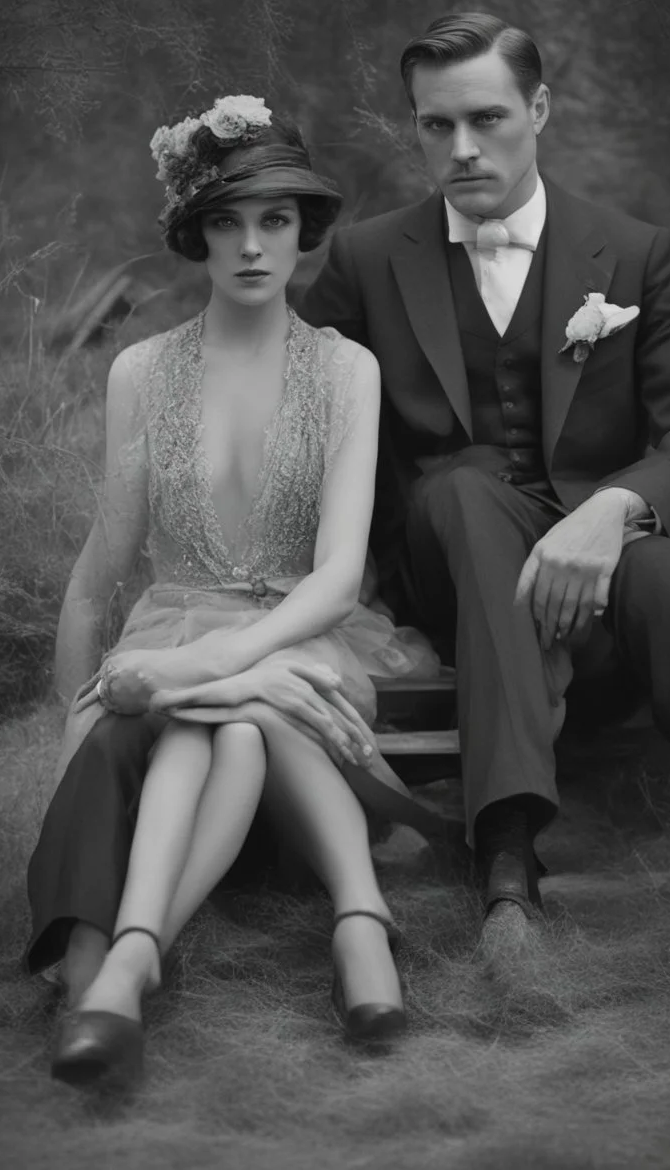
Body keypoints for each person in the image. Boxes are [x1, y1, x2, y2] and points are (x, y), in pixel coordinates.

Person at [296, 12, 670, 949]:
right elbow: (301, 420)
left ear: (539, 108)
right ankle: (507, 852)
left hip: (603, 585)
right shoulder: (363, 260)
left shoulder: (635, 255)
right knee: (466, 488)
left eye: (488, 119)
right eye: (437, 126)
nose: (463, 149)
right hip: (453, 568)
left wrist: (612, 511)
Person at [26, 95, 443, 1088]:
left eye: (274, 221)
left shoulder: (347, 371)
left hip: (306, 631)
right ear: (194, 233)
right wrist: (69, 735)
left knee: (253, 691)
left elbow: (338, 577)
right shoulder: (140, 371)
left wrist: (210, 662)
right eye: (225, 221)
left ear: (306, 233)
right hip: (176, 626)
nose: (251, 247)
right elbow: (100, 568)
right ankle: (356, 932)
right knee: (240, 725)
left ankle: (130, 965)